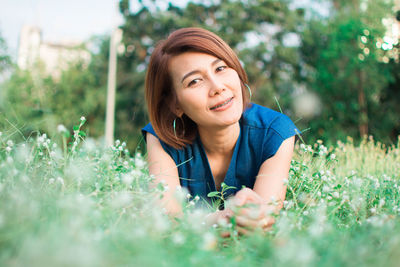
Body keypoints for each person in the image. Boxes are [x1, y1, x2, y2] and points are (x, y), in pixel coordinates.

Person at [142, 27, 298, 234]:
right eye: (194, 81)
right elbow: (166, 223)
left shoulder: (275, 131)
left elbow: (263, 221)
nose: (217, 87)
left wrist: (250, 215)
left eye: (220, 68)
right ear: (174, 104)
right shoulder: (161, 138)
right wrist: (223, 218)